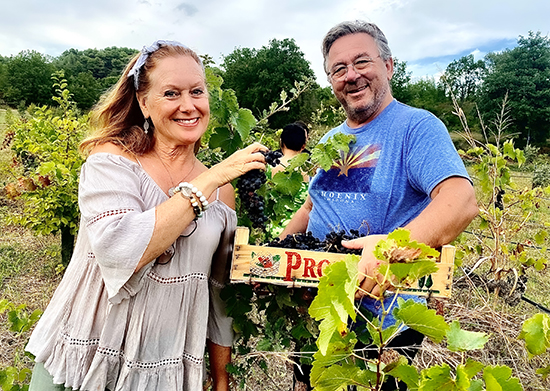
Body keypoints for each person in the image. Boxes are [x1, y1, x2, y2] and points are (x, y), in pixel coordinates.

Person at [25, 40, 269, 391]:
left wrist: (220, 379)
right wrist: (210, 177)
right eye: (171, 93)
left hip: (157, 372)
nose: (189, 106)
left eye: (197, 92)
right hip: (82, 362)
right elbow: (122, 249)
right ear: (144, 103)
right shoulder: (112, 161)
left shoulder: (223, 196)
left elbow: (220, 297)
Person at [281, 20, 479, 390]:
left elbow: (460, 200)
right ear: (330, 80)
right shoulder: (333, 139)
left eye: (362, 62)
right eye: (338, 68)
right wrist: (273, 256)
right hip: (322, 310)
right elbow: (311, 208)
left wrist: (389, 249)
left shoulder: (416, 127)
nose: (351, 75)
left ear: (388, 66)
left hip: (381, 326)